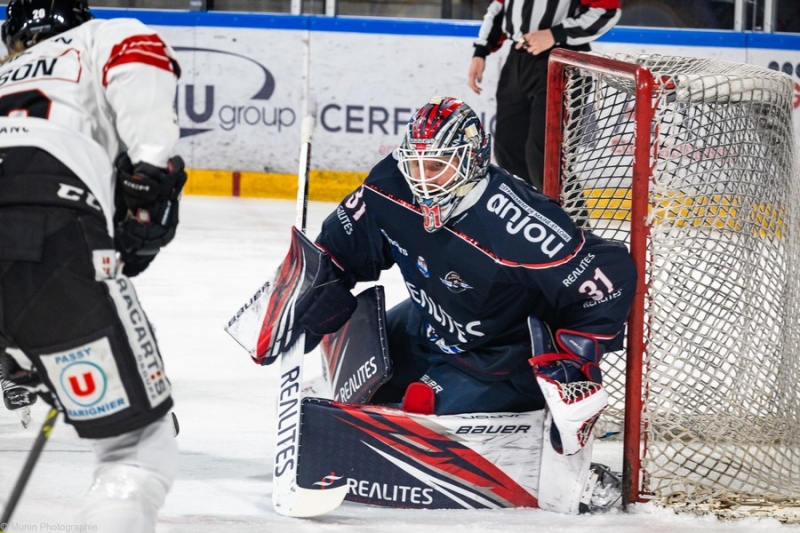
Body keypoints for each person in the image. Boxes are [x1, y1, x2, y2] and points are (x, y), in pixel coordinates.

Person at [271, 97, 636, 485]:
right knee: (350, 366)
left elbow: (609, 278)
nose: (422, 179)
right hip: (429, 321)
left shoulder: (521, 225)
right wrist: (317, 287)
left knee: (419, 415)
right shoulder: (391, 183)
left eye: (436, 167)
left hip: (500, 353)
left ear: (472, 161)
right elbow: (343, 247)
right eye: (415, 164)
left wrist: (574, 364)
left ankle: (523, 420)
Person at [0, 0, 185, 531]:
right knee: (138, 447)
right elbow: (139, 72)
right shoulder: (104, 33)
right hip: (49, 233)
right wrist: (151, 167)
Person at [467, 0, 621, 191]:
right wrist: (481, 51)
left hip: (564, 59)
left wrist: (554, 34)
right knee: (509, 152)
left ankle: (568, 221)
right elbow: (499, 7)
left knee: (547, 161)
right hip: (518, 59)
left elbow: (606, 10)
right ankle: (528, 216)